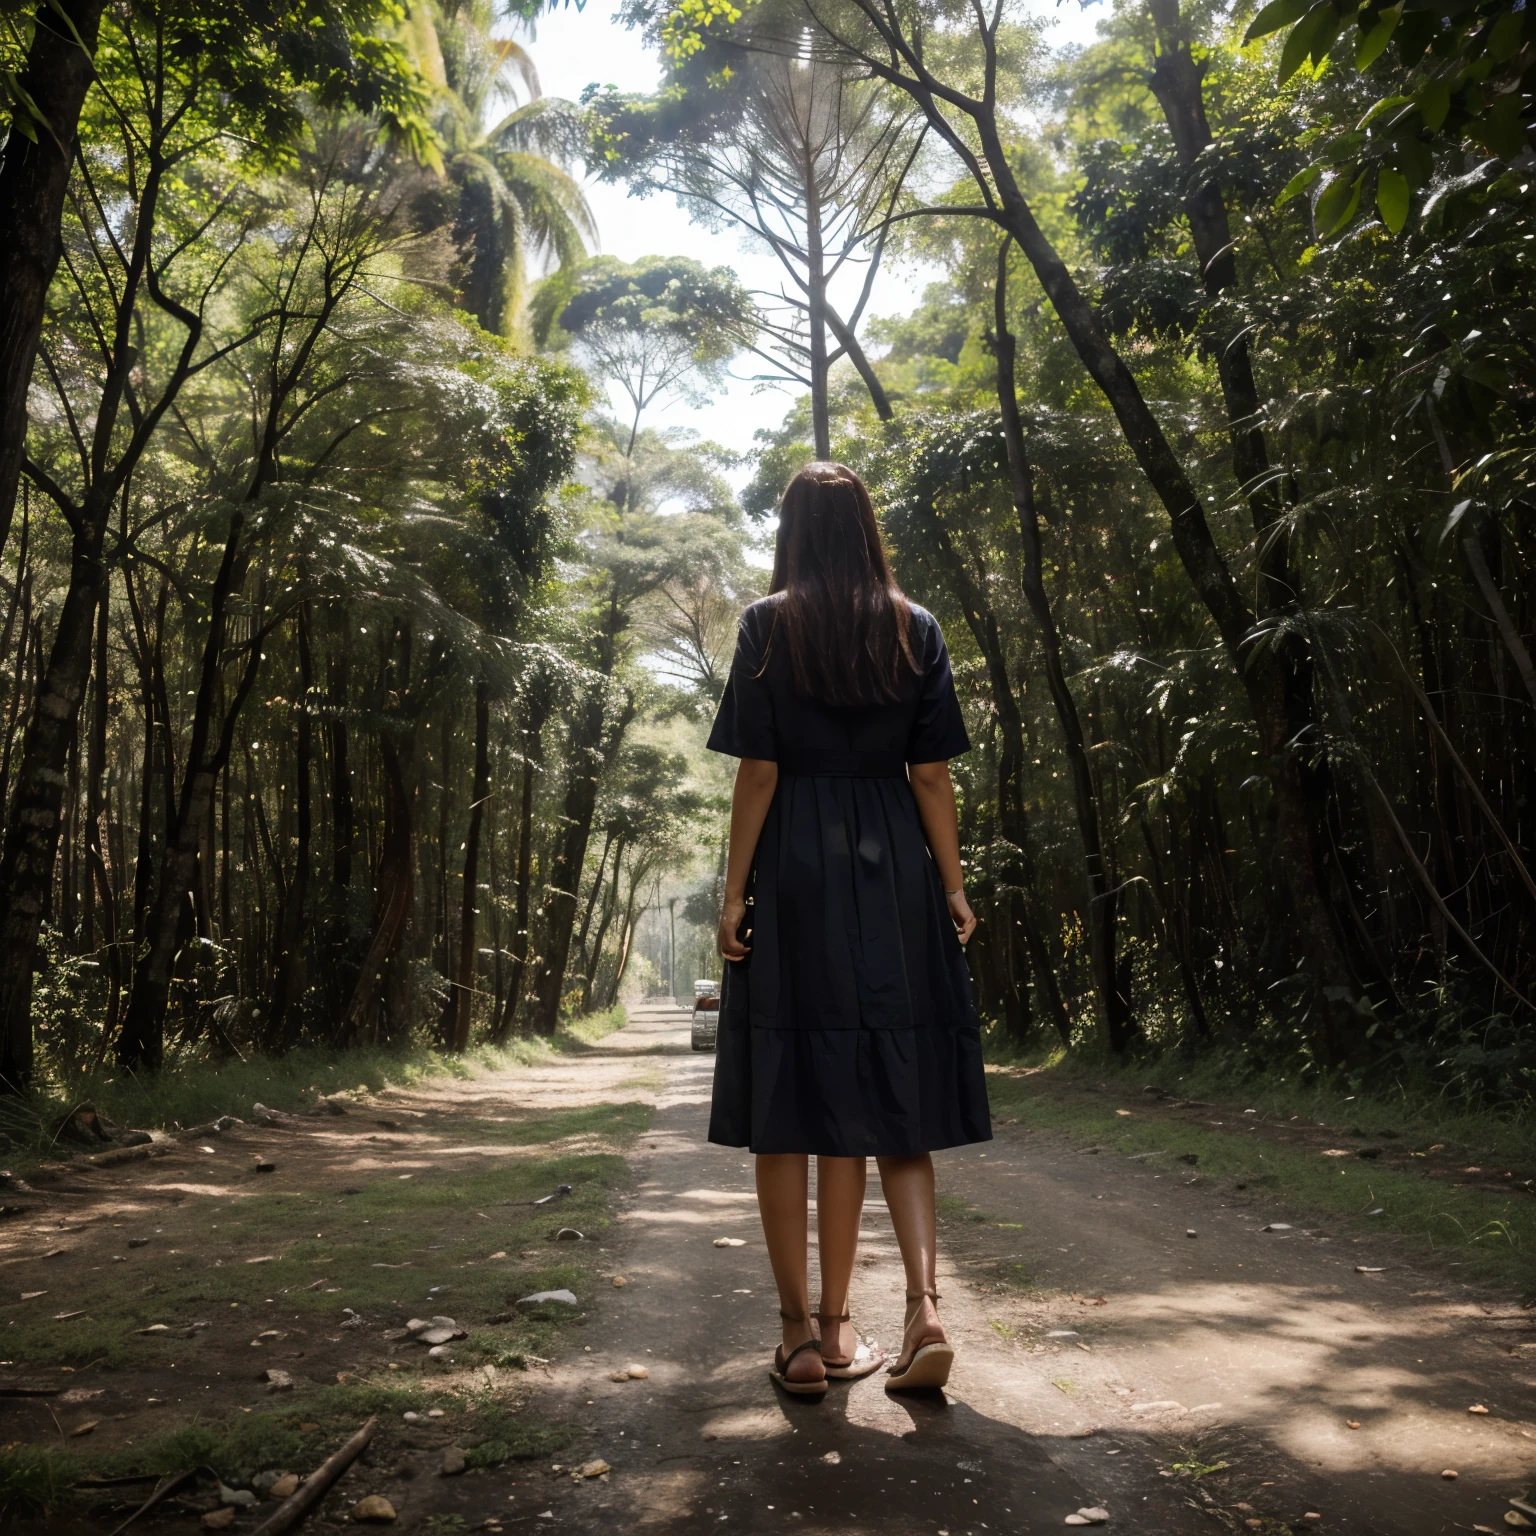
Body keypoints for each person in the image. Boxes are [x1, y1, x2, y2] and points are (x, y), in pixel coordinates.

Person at [707, 461, 991, 1398]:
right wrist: (951, 886)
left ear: (791, 529)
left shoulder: (765, 623)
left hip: (792, 871)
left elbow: (757, 772)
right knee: (872, 1096)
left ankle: (797, 1338)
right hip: (891, 879)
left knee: (789, 1091)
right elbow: (931, 777)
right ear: (867, 527)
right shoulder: (915, 628)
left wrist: (734, 892)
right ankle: (866, 1321)